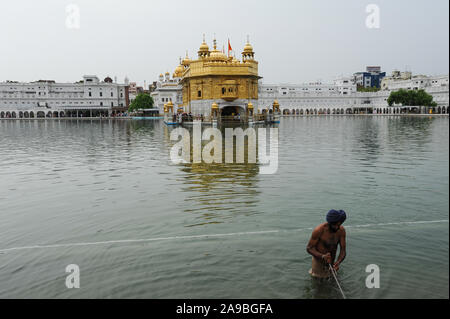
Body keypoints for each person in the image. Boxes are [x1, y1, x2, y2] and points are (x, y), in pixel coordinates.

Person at [306, 210, 347, 278]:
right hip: (318, 262)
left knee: (332, 282)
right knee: (318, 284)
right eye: (335, 225)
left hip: (332, 263)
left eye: (339, 225)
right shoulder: (319, 230)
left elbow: (343, 250)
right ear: (330, 223)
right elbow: (309, 248)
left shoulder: (341, 231)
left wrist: (338, 262)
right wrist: (323, 256)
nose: (337, 227)